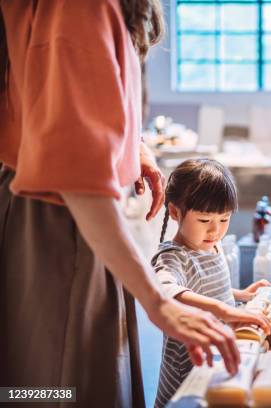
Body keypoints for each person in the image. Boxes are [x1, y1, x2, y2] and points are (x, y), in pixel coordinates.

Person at [0, 2, 239, 407]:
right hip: (61, 220)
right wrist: (159, 302)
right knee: (56, 389)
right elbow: (77, 177)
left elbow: (68, 100)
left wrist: (132, 144)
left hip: (77, 218)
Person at [153, 158, 271, 407]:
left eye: (224, 219)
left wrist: (239, 295)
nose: (215, 231)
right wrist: (224, 310)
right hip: (186, 374)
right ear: (175, 212)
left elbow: (205, 286)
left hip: (215, 362)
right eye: (205, 221)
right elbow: (165, 289)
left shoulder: (210, 246)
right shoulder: (173, 256)